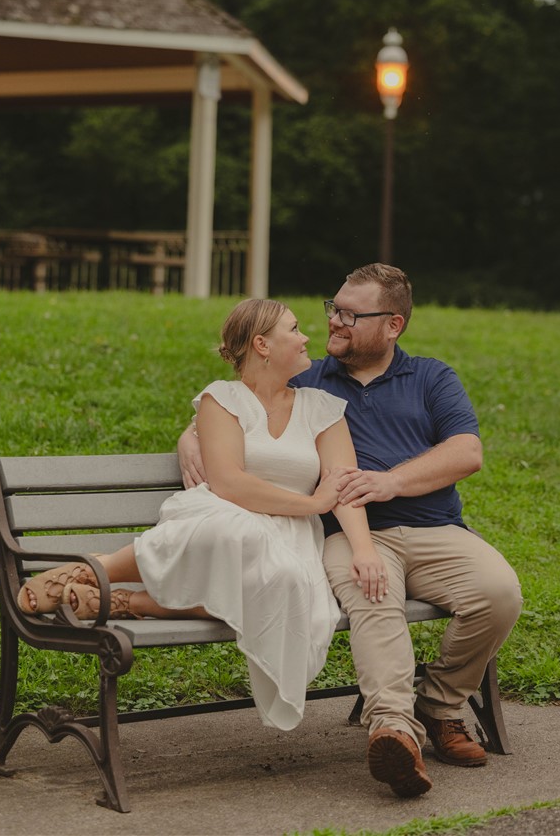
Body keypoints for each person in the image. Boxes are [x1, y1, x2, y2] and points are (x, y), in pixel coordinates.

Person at [179, 264, 522, 797]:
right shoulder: (311, 377)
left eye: (350, 315)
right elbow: (240, 400)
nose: (335, 323)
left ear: (393, 325)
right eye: (333, 309)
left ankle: (441, 705)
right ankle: (393, 729)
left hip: (436, 531)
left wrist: (392, 481)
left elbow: (466, 452)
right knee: (373, 591)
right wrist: (186, 435)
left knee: (499, 594)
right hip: (349, 534)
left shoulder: (432, 377)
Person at [16, 298, 385, 732]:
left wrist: (363, 549)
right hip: (223, 514)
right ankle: (93, 570)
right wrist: (313, 504)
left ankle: (128, 602)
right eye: (295, 328)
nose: (307, 337)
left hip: (289, 536)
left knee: (281, 582)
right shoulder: (223, 399)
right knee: (235, 532)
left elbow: (344, 488)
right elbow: (230, 484)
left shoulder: (322, 408)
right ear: (262, 344)